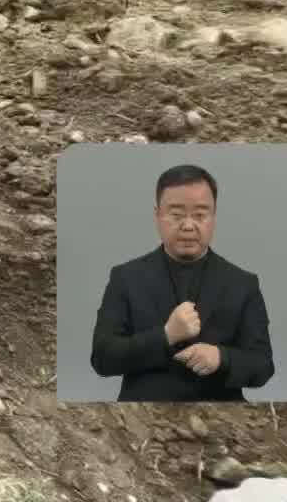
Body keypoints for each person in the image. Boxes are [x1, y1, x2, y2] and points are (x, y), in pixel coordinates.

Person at [90, 164, 274, 402]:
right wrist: (166, 335)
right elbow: (103, 358)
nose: (188, 225)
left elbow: (263, 366)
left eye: (200, 215)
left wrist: (222, 358)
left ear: (214, 216)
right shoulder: (125, 277)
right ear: (157, 215)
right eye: (176, 215)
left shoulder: (243, 283)